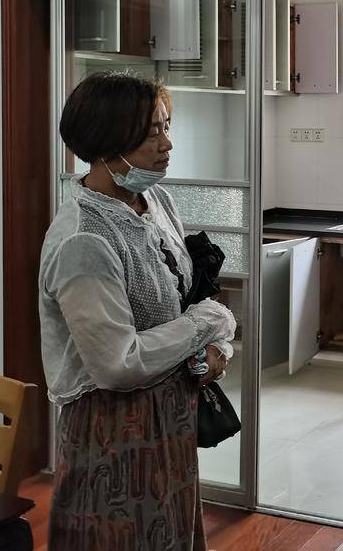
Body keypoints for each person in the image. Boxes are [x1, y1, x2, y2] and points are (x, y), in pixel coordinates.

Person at [38, 72, 237, 550]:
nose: (167, 144)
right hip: (111, 432)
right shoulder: (84, 240)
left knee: (171, 533)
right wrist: (205, 324)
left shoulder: (156, 201)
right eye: (152, 133)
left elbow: (182, 300)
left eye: (166, 127)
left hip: (171, 417)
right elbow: (118, 364)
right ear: (107, 140)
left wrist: (214, 348)